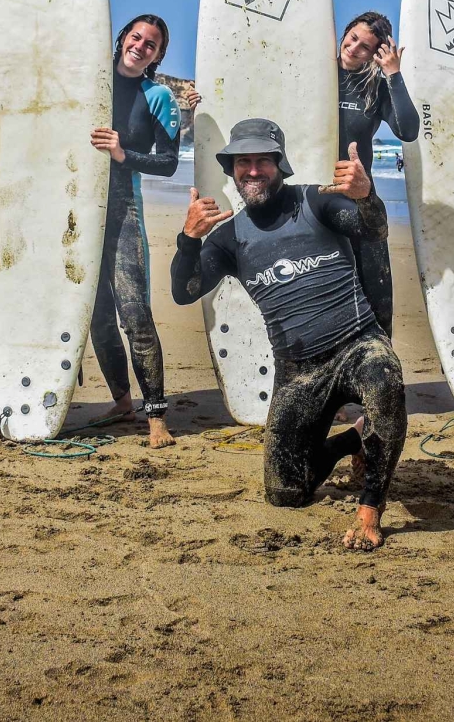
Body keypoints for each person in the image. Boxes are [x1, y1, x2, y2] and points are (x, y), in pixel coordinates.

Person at [171, 119, 407, 550]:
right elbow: (184, 292)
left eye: (263, 160)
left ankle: (371, 508)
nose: (254, 170)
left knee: (385, 376)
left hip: (357, 343)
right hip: (299, 372)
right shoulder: (228, 239)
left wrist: (366, 196)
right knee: (287, 495)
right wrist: (188, 239)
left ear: (280, 165)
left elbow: (374, 231)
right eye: (244, 161)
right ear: (232, 169)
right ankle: (357, 437)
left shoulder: (315, 202)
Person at [87, 15, 184, 447]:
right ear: (123, 38)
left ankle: (156, 417)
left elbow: (168, 162)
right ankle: (122, 399)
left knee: (134, 313)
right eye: (136, 37)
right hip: (79, 204)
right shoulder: (92, 83)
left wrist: (123, 154)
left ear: (158, 55)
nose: (141, 46)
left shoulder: (158, 95)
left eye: (152, 44)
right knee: (95, 313)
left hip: (122, 207)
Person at [334, 12, 419, 337]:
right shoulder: (313, 74)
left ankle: (379, 368)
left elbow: (408, 130)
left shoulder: (374, 88)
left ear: (375, 54)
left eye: (365, 47)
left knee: (374, 300)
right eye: (352, 37)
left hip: (358, 202)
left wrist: (394, 74)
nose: (353, 48)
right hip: (310, 201)